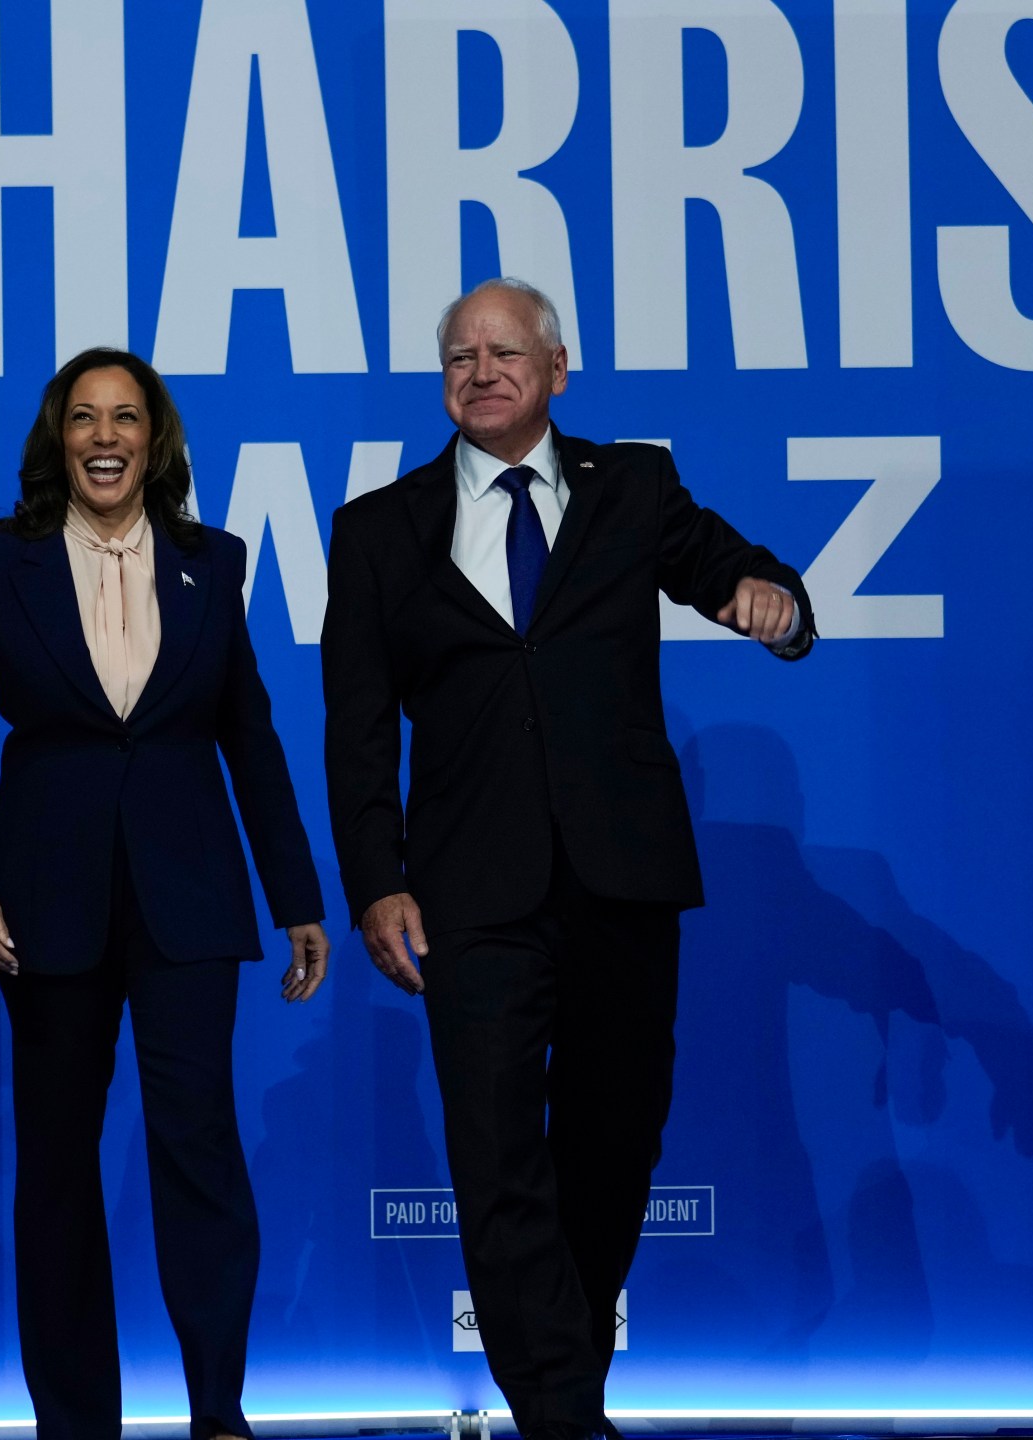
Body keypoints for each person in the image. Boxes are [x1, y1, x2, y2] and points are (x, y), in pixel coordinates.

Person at [321, 278, 814, 1436]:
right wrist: (375, 880)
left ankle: (566, 1379)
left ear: (555, 367)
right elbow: (354, 729)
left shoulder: (629, 485)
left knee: (613, 1138)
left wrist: (773, 605)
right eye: (458, 355)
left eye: (503, 351)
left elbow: (740, 573)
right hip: (466, 894)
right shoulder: (378, 529)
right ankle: (559, 1416)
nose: (480, 369)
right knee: (495, 1155)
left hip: (620, 881)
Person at [0, 346, 330, 1440]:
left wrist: (298, 896)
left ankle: (217, 1411)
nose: (105, 437)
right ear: (59, 438)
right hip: (42, 903)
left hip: (187, 898)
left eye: (126, 418)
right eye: (84, 418)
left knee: (199, 1145)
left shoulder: (213, 560)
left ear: (156, 439)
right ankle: (76, 1423)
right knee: (56, 1161)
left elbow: (251, 737)